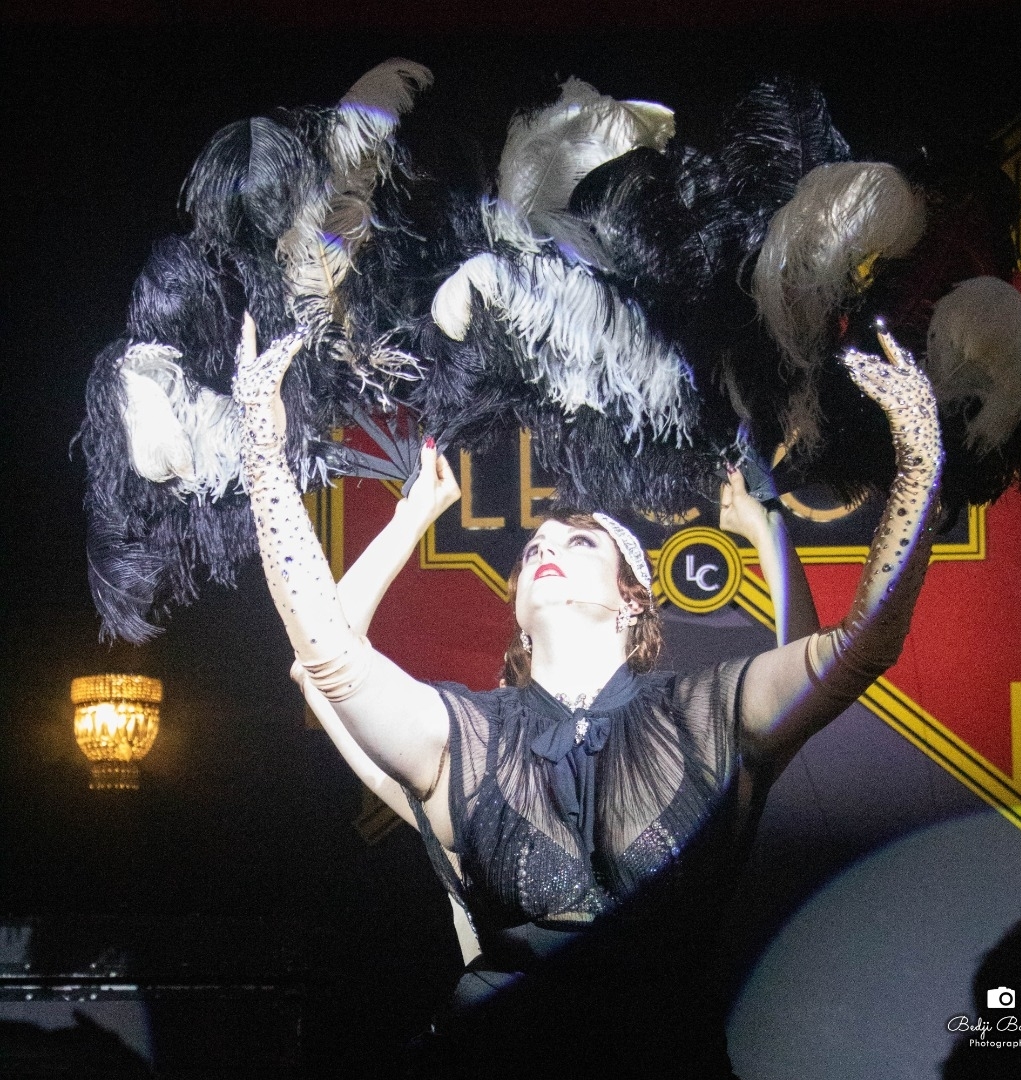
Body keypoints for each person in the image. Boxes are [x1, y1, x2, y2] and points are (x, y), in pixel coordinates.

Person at [233, 313, 942, 1074]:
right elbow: (326, 657)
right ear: (517, 607)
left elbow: (856, 647)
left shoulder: (697, 714)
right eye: (535, 547)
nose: (546, 549)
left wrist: (917, 466)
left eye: (579, 541)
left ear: (632, 598)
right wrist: (273, 463)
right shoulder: (468, 735)